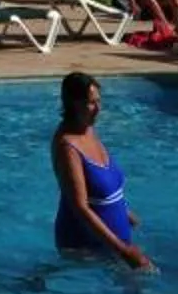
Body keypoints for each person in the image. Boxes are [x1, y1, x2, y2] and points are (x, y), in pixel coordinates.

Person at [49, 72, 152, 271]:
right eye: (90, 103)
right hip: (85, 247)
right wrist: (123, 250)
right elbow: (80, 207)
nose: (98, 109)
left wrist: (124, 213)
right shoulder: (67, 146)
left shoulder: (87, 129)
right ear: (73, 104)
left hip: (111, 245)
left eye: (99, 101)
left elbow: (101, 185)